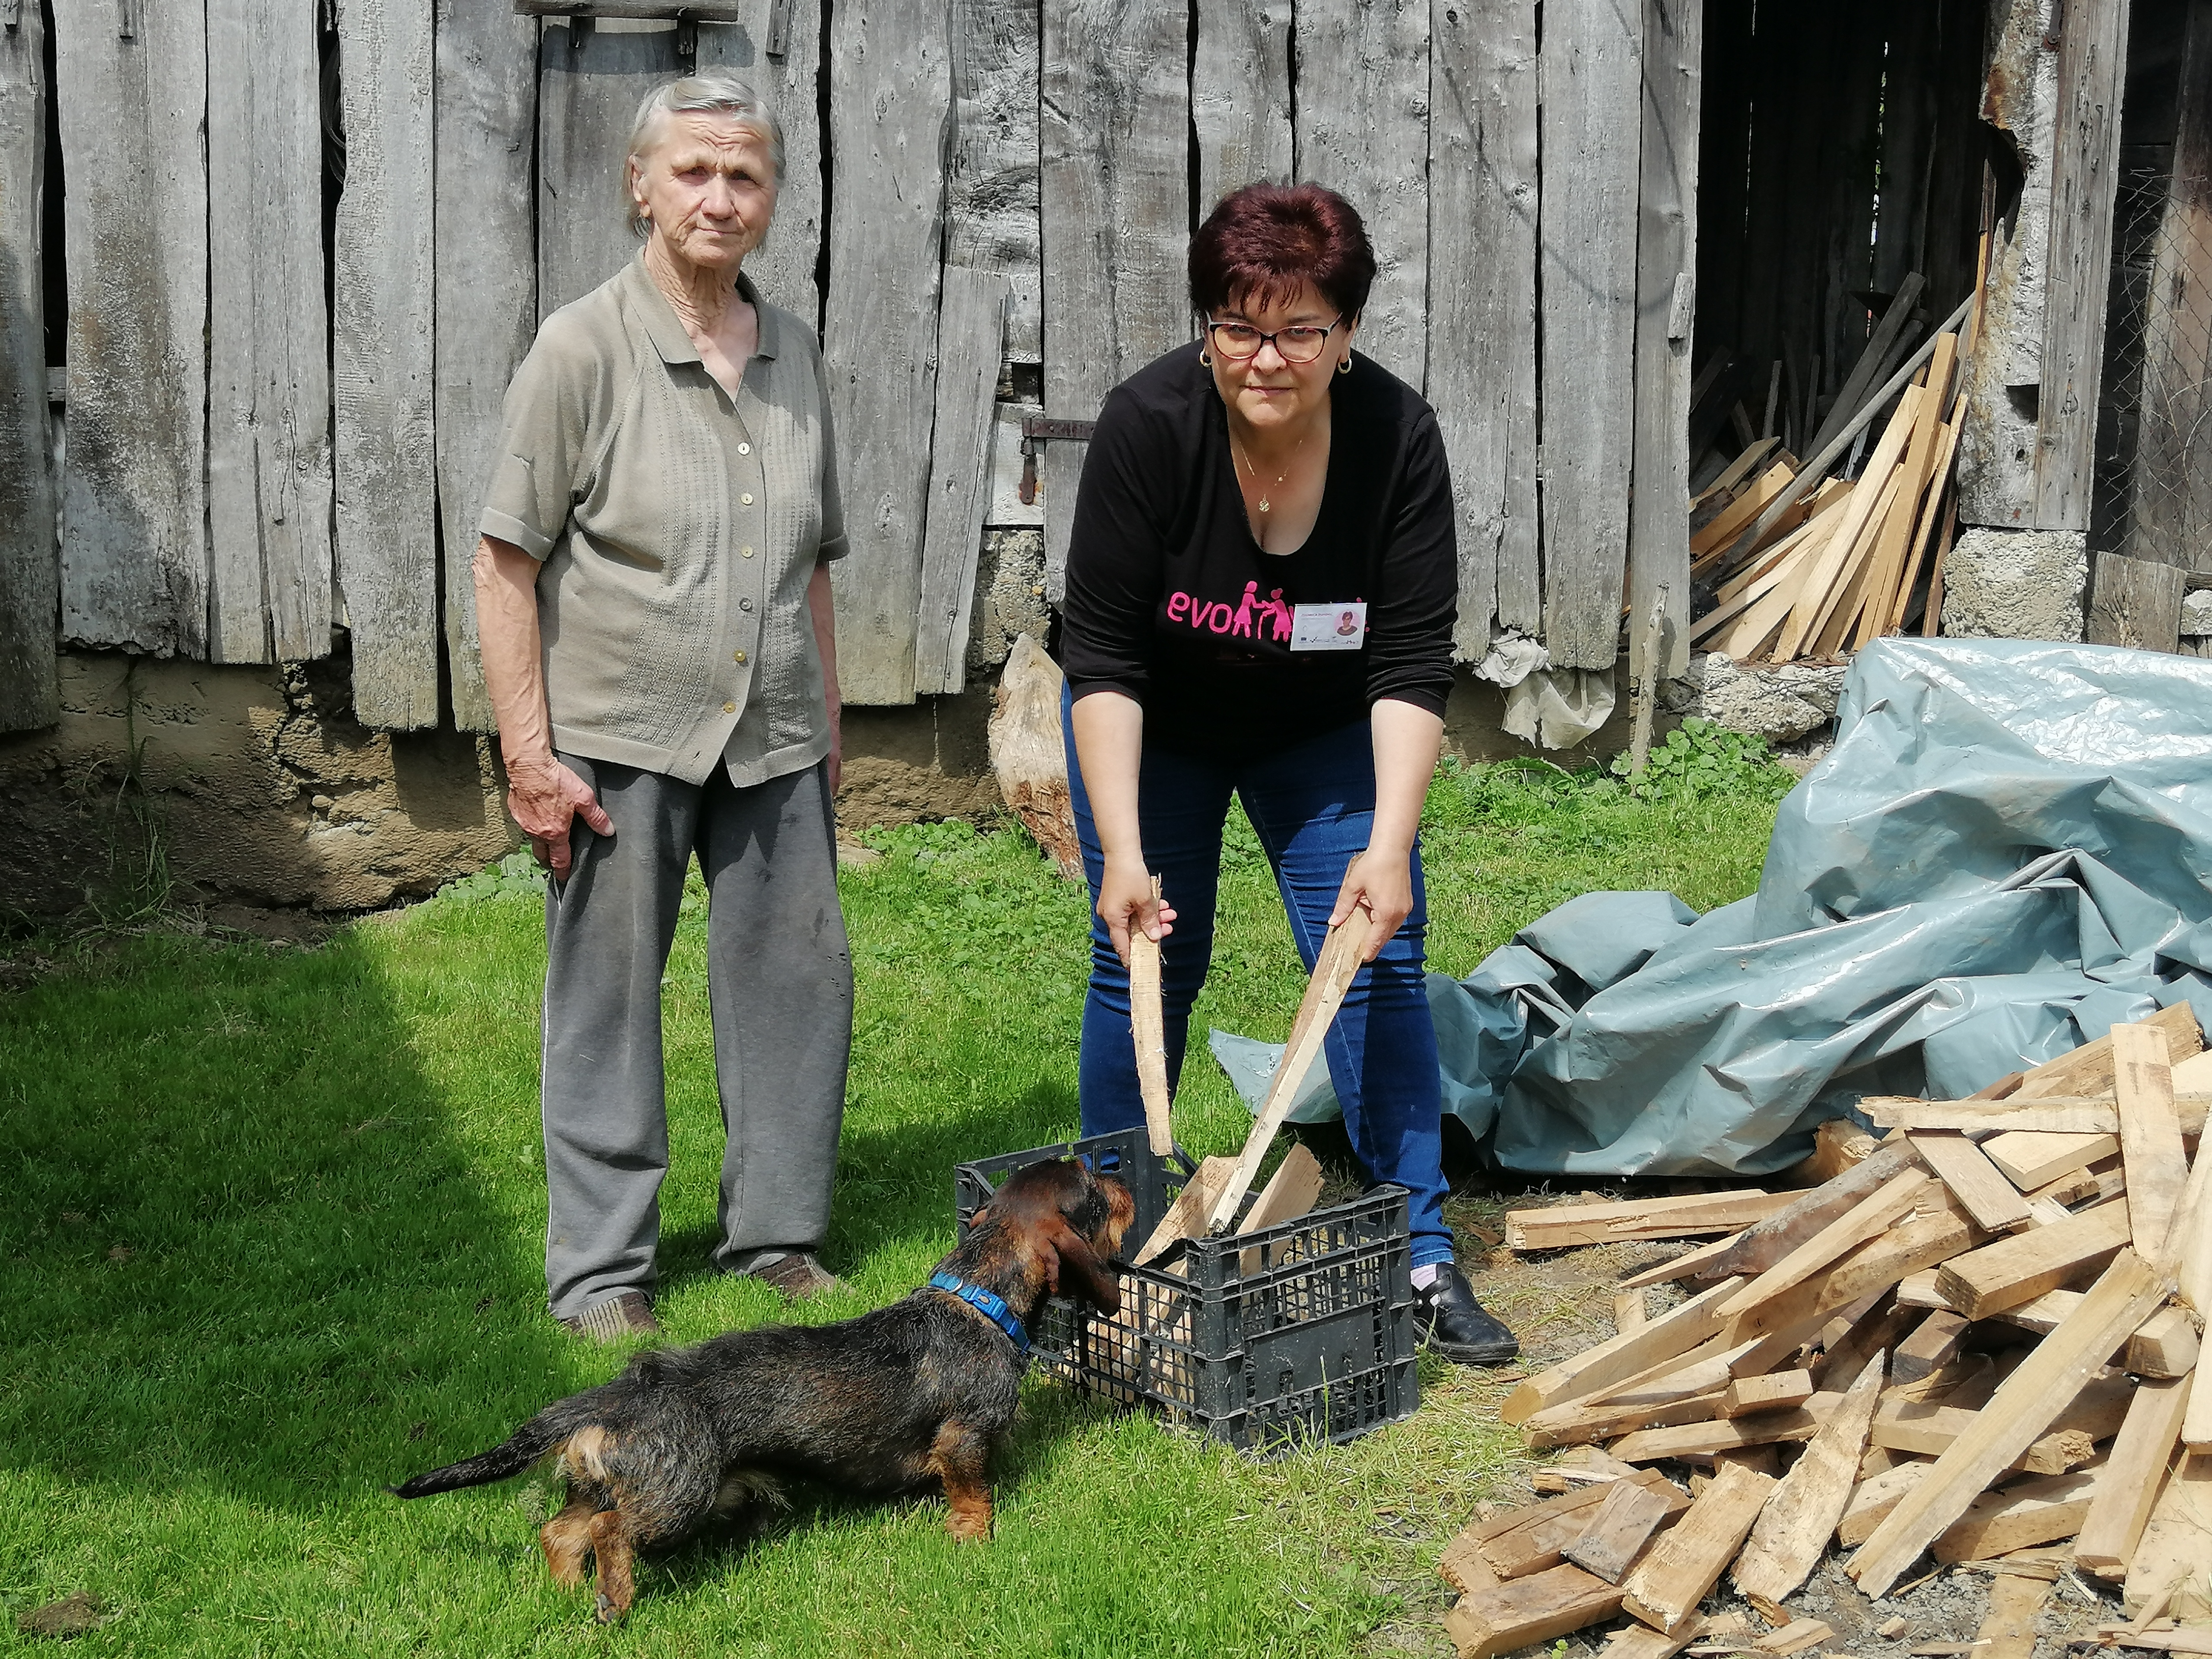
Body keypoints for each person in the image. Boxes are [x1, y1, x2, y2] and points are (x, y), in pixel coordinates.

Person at [1056, 182, 1518, 1365]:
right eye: (1238, 327)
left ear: (1347, 332)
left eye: (1301, 329)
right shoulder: (1148, 425)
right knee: (1150, 959)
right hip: (1163, 723)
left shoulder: (1396, 440)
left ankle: (1418, 1249)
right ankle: (1120, 1235)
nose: (1268, 358)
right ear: (1206, 323)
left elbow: (1415, 660)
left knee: (1374, 958)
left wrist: (1388, 841)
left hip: (1320, 729)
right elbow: (1103, 659)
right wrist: (1117, 851)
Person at [473, 73, 852, 1342]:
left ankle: (779, 1239)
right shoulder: (583, 346)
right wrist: (531, 757)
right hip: (619, 733)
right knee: (606, 1000)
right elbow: (505, 562)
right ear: (640, 184)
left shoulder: (793, 349)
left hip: (777, 733)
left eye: (743, 175)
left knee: (799, 986)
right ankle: (600, 1273)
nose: (718, 196)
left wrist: (830, 729)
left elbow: (811, 563)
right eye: (691, 171)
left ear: (772, 197)